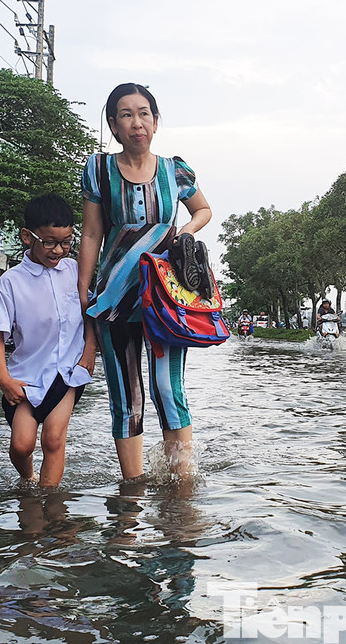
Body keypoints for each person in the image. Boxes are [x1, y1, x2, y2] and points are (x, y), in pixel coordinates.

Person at [79, 83, 213, 482]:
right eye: (126, 114)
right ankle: (133, 492)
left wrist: (184, 231)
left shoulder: (176, 170)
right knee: (127, 396)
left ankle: (182, 486)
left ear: (156, 122)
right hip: (114, 297)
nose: (136, 122)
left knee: (168, 390)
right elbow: (90, 235)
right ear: (113, 125)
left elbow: (203, 209)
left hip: (166, 298)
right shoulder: (98, 169)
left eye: (144, 113)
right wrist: (85, 294)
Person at [0, 195, 93, 488]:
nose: (58, 250)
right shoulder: (11, 281)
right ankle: (28, 480)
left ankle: (50, 509)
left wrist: (89, 351)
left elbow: (90, 313)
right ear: (27, 237)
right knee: (22, 445)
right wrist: (4, 379)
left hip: (68, 371)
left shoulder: (74, 271)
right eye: (49, 242)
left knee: (53, 438)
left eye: (65, 242)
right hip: (27, 375)